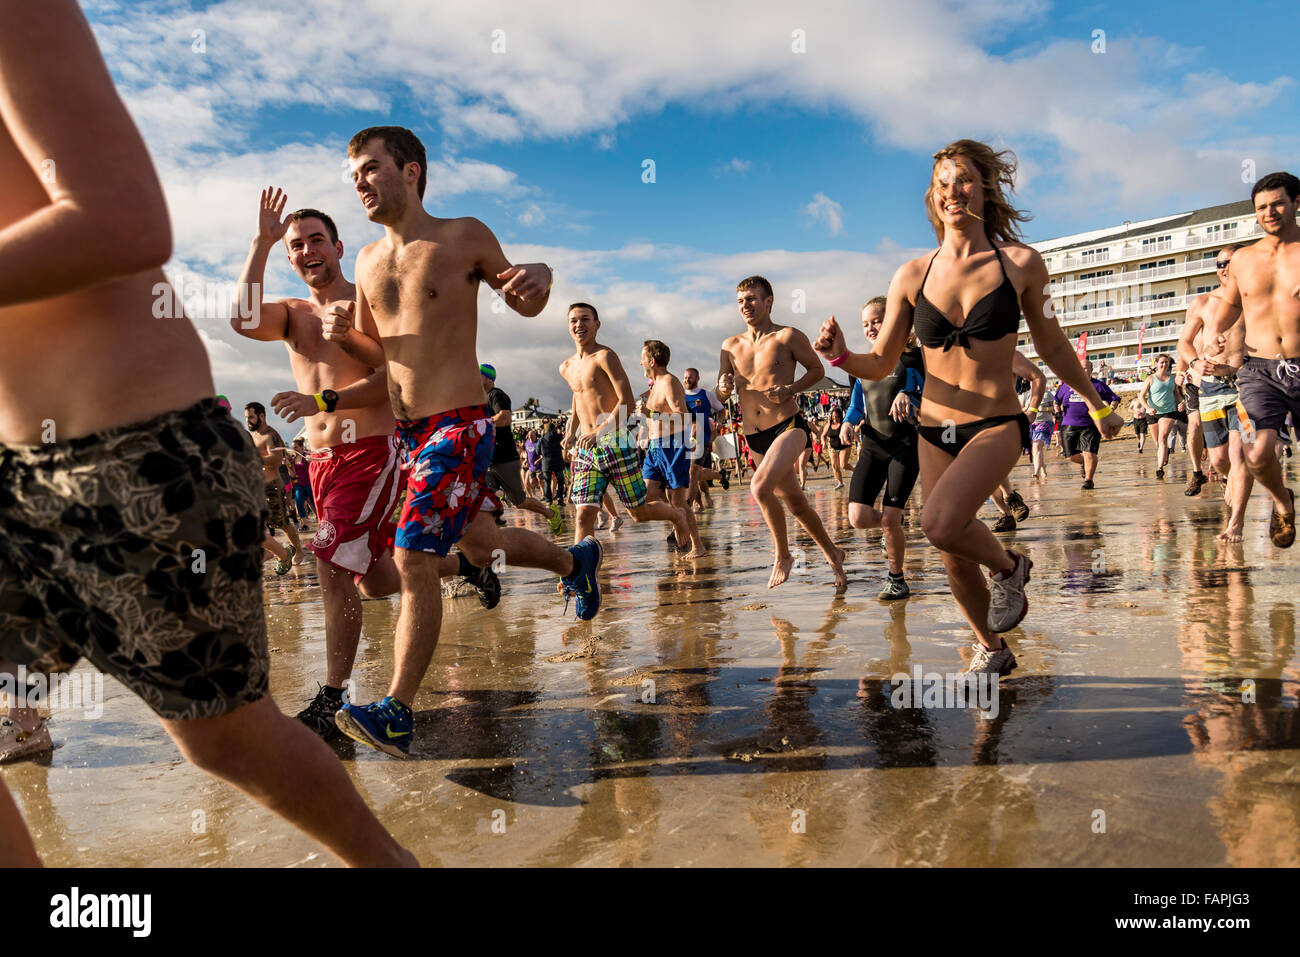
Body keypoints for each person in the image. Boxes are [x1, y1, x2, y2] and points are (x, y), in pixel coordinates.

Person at [0, 2, 413, 867]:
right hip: (18, 466)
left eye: (309, 238)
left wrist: (337, 395)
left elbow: (122, 220)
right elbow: (238, 317)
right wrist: (260, 247)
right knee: (345, 569)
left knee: (224, 738)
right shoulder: (293, 304)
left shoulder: (351, 301)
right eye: (295, 241)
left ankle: (382, 818)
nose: (303, 250)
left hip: (134, 452)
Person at [329, 126, 602, 758]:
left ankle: (397, 711)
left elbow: (524, 299)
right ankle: (573, 562)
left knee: (413, 559)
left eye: (371, 169)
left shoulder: (462, 236)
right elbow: (381, 354)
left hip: (459, 423)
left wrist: (541, 275)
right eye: (355, 176)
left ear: (412, 171)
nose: (361, 184)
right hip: (409, 432)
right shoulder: (368, 261)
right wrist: (345, 334)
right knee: (480, 547)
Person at [814, 139, 1123, 674]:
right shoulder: (911, 275)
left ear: (984, 189)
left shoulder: (1021, 264)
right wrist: (840, 355)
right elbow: (883, 360)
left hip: (994, 423)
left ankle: (1010, 567)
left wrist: (1097, 405)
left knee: (938, 523)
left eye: (963, 180)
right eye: (942, 184)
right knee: (952, 550)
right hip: (934, 429)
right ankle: (992, 649)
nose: (952, 191)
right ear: (932, 198)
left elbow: (1051, 346)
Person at [718, 277, 848, 591]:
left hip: (788, 426)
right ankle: (834, 554)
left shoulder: (788, 336)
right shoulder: (729, 345)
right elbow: (721, 390)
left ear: (768, 301)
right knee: (796, 503)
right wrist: (721, 389)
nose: (745, 306)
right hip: (754, 438)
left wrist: (790, 388)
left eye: (751, 299)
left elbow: (817, 370)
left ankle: (783, 555)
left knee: (759, 488)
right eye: (740, 301)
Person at [1200, 170, 1300, 548]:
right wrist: (1214, 335)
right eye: (1261, 207)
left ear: (1296, 203)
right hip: (1260, 369)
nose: (1269, 212)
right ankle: (1282, 500)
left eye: (1277, 203)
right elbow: (1228, 306)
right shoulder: (1243, 260)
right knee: (1256, 452)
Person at [558, 305, 692, 549]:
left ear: (597, 324)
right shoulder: (566, 366)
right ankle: (580, 576)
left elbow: (627, 402)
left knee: (638, 513)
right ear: (568, 326)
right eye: (573, 321)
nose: (579, 325)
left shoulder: (605, 356)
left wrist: (599, 432)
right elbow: (578, 397)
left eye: (585, 319)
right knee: (584, 514)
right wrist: (570, 433)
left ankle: (676, 515)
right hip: (587, 448)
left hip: (615, 441)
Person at [843, 295, 924, 600]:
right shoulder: (864, 365)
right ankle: (893, 529)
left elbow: (925, 390)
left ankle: (897, 579)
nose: (871, 328)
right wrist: (848, 423)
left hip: (905, 446)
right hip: (873, 446)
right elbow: (856, 404)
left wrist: (908, 395)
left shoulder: (914, 357)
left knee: (890, 518)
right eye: (865, 324)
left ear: (892, 321)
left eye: (876, 321)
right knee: (858, 517)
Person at [1177, 245, 1255, 540]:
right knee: (1220, 459)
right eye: (1221, 263)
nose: (1226, 268)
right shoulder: (1202, 303)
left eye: (1231, 263)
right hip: (1209, 388)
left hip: (1245, 385)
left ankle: (1236, 522)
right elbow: (1183, 342)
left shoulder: (1254, 300)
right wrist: (1194, 362)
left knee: (1239, 451)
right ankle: (1229, 480)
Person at [638, 340, 707, 557]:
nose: (640, 363)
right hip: (655, 447)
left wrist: (650, 414)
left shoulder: (669, 381)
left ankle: (698, 546)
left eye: (642, 358)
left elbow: (683, 418)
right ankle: (678, 520)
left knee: (677, 499)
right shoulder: (654, 385)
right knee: (647, 496)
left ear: (651, 360)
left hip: (673, 445)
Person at [480, 364, 565, 534]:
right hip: (487, 458)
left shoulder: (496, 395)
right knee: (482, 494)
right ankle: (492, 526)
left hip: (504, 458)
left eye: (478, 374)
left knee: (519, 501)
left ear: (488, 378)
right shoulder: (479, 399)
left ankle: (550, 513)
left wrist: (482, 424)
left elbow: (505, 418)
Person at [244, 401, 303, 565]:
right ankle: (270, 552)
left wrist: (255, 458)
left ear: (261, 416)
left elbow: (277, 460)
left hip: (273, 486)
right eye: (246, 418)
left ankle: (299, 551)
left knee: (282, 522)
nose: (248, 421)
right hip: (257, 487)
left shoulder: (271, 435)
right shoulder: (255, 435)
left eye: (251, 418)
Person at [1057, 358, 1122, 489]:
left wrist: (1109, 412)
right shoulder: (1067, 385)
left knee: (1089, 453)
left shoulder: (1098, 385)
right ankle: (1084, 463)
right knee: (1070, 456)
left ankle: (1088, 480)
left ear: (1091, 370)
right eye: (1081, 368)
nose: (1083, 370)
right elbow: (1056, 400)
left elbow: (1114, 399)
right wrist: (1057, 413)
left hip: (1091, 424)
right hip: (1069, 424)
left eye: (1086, 368)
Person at [682, 366, 730, 511]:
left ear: (697, 378)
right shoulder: (679, 396)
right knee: (696, 473)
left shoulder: (706, 395)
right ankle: (719, 476)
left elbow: (721, 410)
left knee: (692, 472)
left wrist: (720, 422)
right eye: (685, 377)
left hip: (702, 438)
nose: (687, 380)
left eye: (690, 377)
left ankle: (689, 505)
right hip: (684, 439)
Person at [1137, 354, 1183, 480]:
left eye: (1166, 362)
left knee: (1162, 438)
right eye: (1162, 362)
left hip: (1169, 411)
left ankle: (1160, 468)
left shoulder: (1172, 378)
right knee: (1158, 443)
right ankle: (1165, 453)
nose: (1164, 364)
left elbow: (1177, 394)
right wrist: (1148, 408)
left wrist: (1181, 403)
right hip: (1152, 413)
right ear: (1156, 364)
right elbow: (1141, 396)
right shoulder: (1151, 378)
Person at [539, 421, 567, 504]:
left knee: (547, 482)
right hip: (558, 462)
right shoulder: (559, 437)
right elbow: (562, 446)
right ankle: (560, 498)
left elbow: (538, 451)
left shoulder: (542, 439)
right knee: (560, 480)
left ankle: (548, 500)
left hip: (547, 463)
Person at [821, 408, 849, 489]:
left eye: (836, 416)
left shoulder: (843, 424)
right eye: (833, 416)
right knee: (834, 466)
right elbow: (823, 435)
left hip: (844, 447)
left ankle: (855, 471)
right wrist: (823, 443)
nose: (835, 418)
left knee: (843, 465)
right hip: (833, 448)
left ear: (840, 416)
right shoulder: (828, 425)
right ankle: (840, 483)